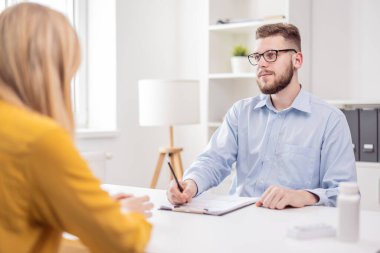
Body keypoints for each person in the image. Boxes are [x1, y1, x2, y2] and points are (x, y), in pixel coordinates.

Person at [0, 3, 152, 253]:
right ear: (54, 71)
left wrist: (86, 211)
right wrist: (126, 216)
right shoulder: (39, 139)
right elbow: (123, 242)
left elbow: (17, 225)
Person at [167, 23, 357, 210]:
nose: (262, 63)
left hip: (294, 228)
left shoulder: (330, 120)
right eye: (257, 56)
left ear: (297, 60)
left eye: (271, 55)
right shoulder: (240, 112)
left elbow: (344, 192)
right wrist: (191, 184)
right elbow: (213, 160)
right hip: (239, 221)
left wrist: (303, 196)